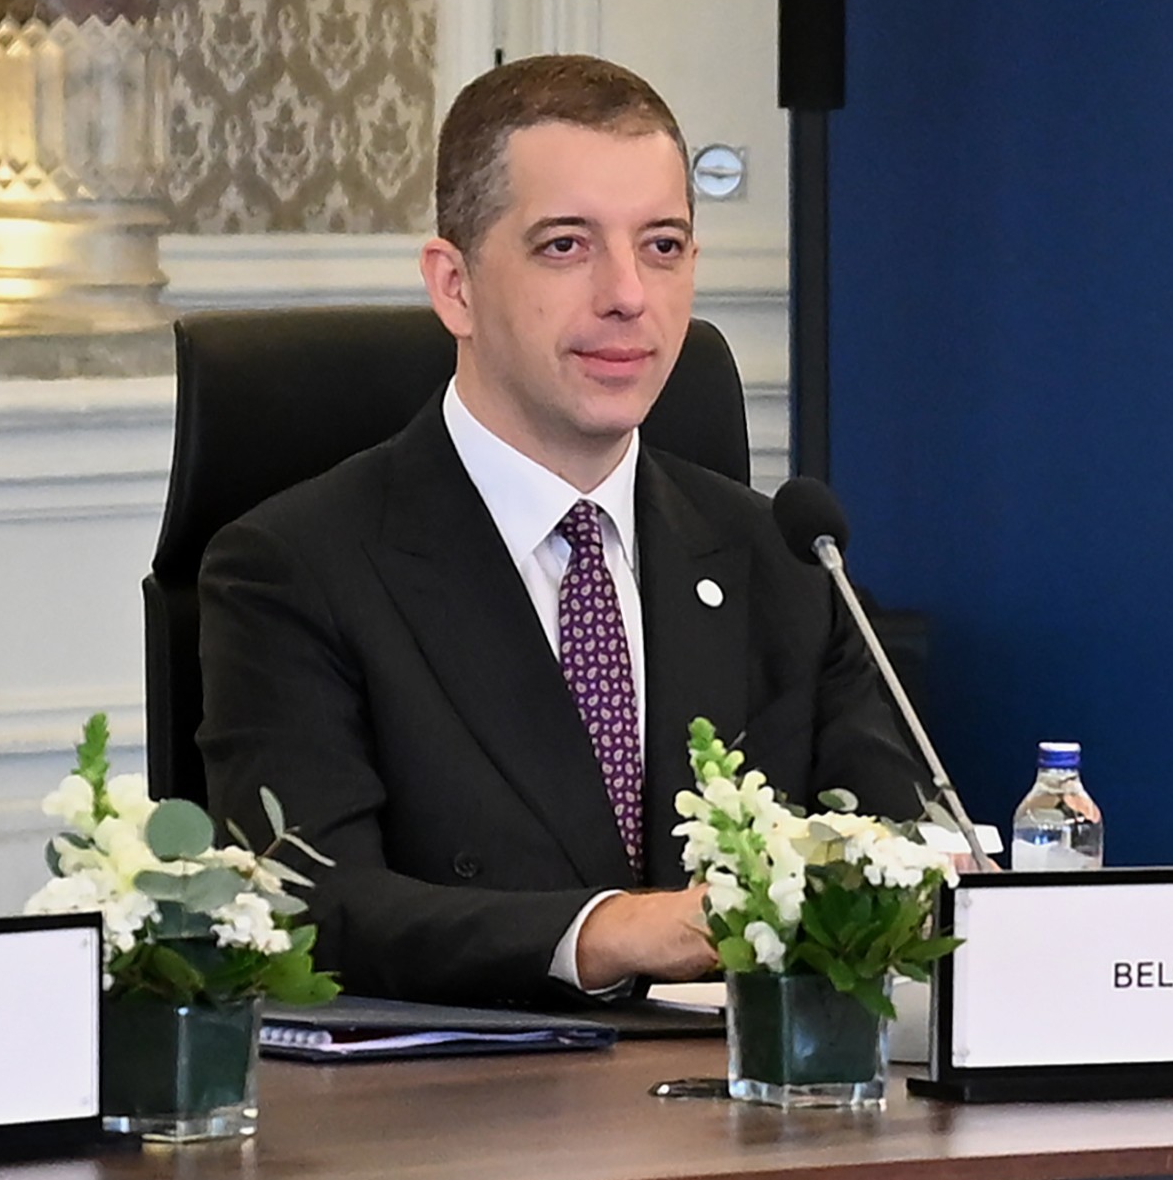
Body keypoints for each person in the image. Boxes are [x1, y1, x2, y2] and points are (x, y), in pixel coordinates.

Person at [197, 56, 941, 1004]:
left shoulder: (785, 559)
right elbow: (309, 902)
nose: (628, 293)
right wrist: (611, 931)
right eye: (565, 245)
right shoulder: (295, 569)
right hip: (476, 1087)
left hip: (756, 1081)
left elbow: (896, 845)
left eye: (663, 245)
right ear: (454, 285)